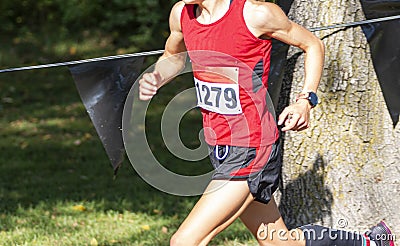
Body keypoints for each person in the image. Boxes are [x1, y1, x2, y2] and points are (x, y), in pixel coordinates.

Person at [138, 0, 395, 245]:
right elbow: (173, 56)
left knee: (184, 241)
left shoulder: (256, 14)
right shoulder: (181, 14)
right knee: (279, 242)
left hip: (252, 148)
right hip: (219, 146)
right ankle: (371, 242)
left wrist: (305, 100)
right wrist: (156, 77)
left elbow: (312, 45)